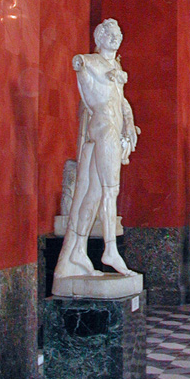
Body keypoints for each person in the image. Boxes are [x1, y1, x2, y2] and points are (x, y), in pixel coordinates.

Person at [53, 19, 139, 287]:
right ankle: (110, 249)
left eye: (119, 33)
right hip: (103, 128)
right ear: (99, 37)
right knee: (110, 190)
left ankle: (77, 251)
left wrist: (129, 125)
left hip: (110, 129)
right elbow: (92, 88)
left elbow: (121, 101)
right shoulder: (88, 61)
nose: (116, 37)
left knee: (91, 193)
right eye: (110, 33)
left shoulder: (116, 67)